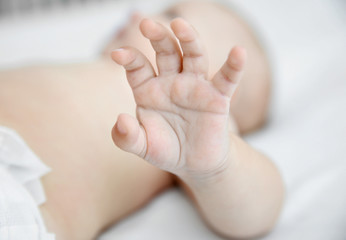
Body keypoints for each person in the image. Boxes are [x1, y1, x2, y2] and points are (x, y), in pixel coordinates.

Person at [0, 1, 284, 239]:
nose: (137, 14)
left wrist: (217, 164)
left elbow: (261, 211)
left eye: (172, 15)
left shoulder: (182, 131)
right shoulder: (90, 69)